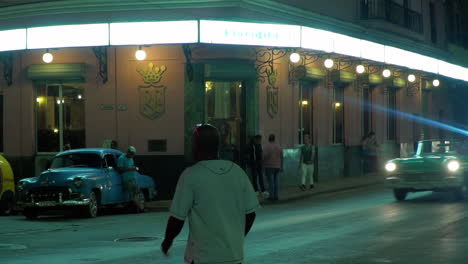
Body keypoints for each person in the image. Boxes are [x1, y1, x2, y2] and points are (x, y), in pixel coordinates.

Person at [161, 124, 259, 264]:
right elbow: (251, 213)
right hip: (233, 256)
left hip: (203, 257)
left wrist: (167, 241)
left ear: (195, 146)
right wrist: (235, 237)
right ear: (218, 145)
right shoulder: (237, 172)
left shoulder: (191, 175)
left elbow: (177, 219)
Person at [263, 134, 283, 201]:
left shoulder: (267, 146)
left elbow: (264, 156)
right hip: (277, 166)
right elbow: (282, 157)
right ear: (274, 139)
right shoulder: (279, 146)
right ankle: (276, 196)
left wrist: (263, 163)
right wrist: (281, 166)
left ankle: (271, 196)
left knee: (271, 182)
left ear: (269, 139)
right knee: (276, 181)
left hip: (269, 166)